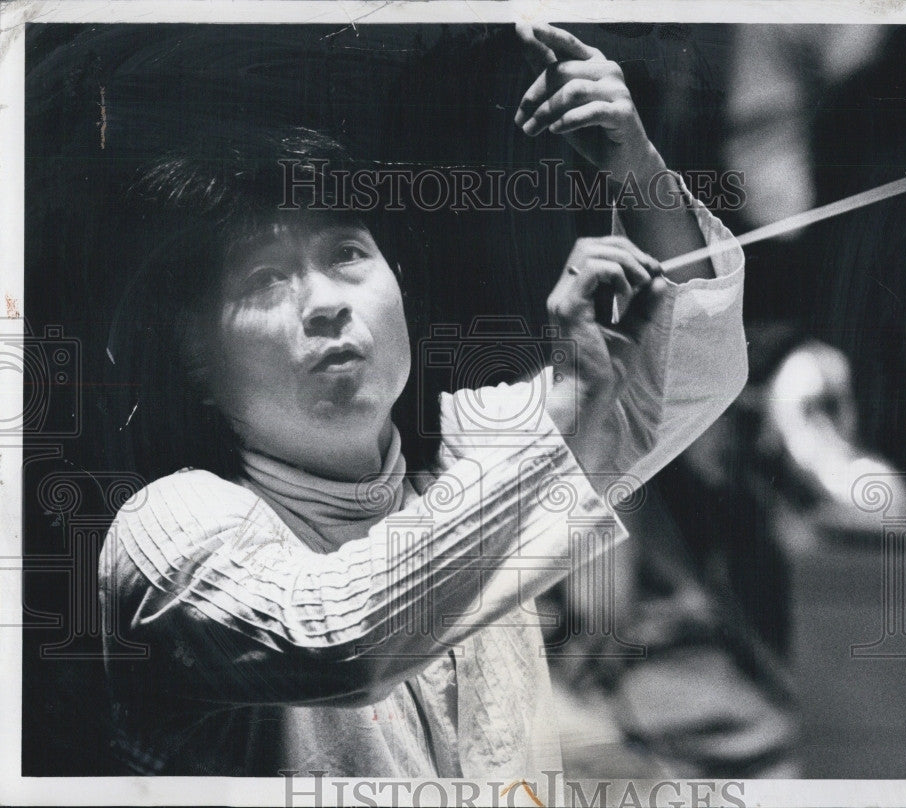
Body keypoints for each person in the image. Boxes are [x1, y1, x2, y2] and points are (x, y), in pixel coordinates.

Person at [97, 23, 747, 789]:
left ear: (398, 286)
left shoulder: (470, 455)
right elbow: (344, 639)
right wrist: (570, 404)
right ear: (196, 363)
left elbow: (689, 373)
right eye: (266, 280)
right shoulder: (167, 533)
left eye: (346, 254)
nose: (326, 306)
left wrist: (636, 170)